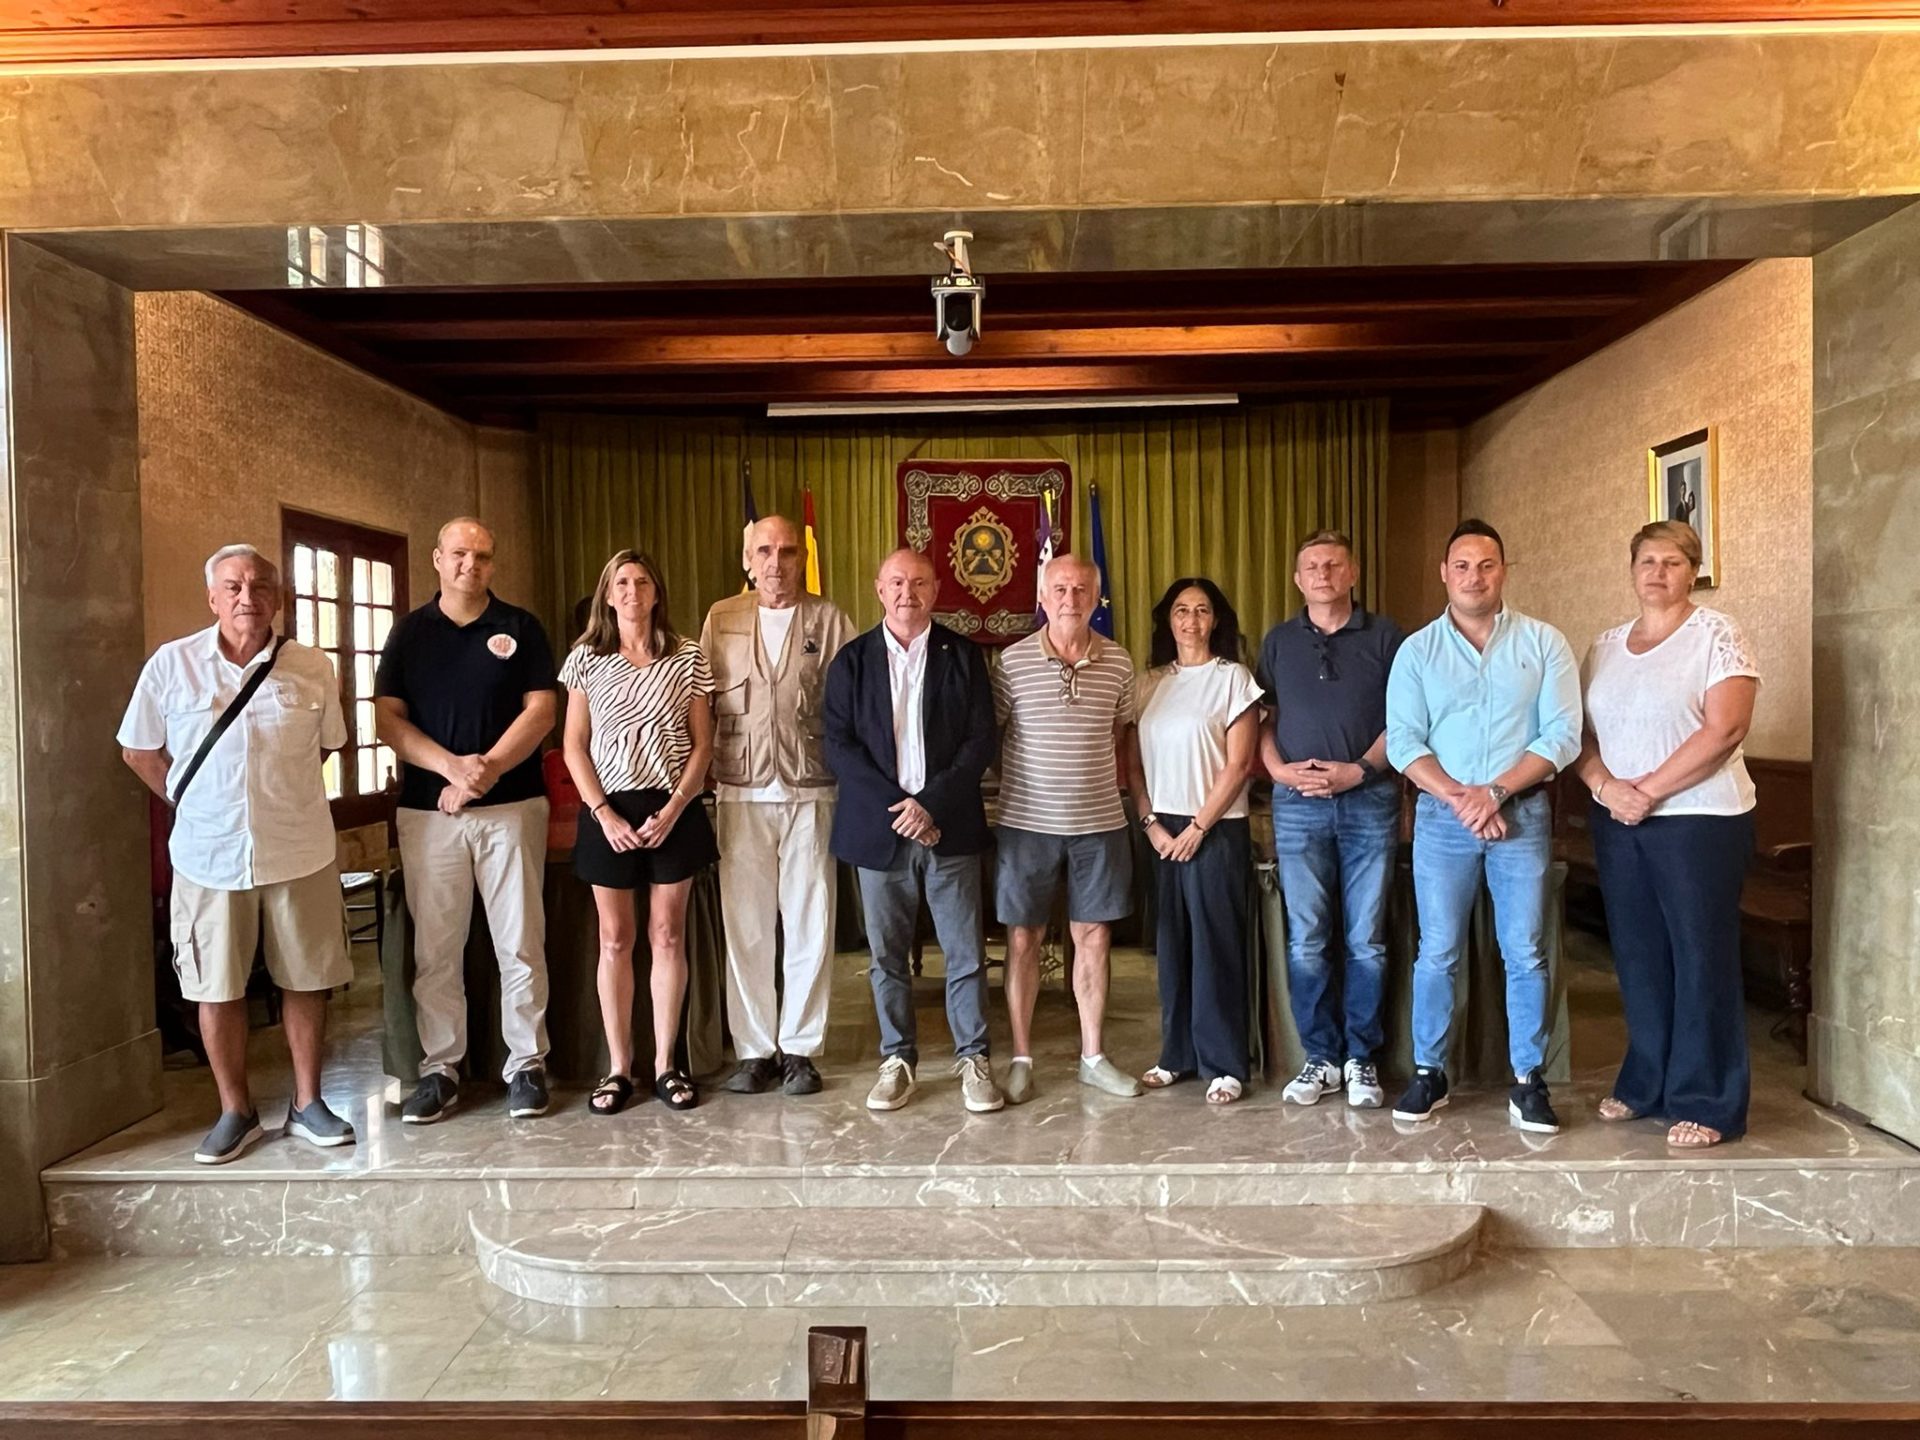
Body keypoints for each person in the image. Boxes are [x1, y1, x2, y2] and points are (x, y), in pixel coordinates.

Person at [118, 545, 357, 1164]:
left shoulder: (311, 666)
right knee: (214, 984)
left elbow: (326, 746)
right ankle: (235, 1111)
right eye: (233, 587)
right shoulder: (172, 664)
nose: (246, 597)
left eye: (259, 586)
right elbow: (138, 750)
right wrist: (192, 801)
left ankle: (309, 1102)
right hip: (208, 854)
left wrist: (278, 795)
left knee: (307, 978)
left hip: (299, 848)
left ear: (278, 598)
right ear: (212, 598)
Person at [1385, 519, 1581, 1133]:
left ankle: (1528, 1080)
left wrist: (1496, 793)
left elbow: (1562, 735)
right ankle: (1429, 1073)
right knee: (1437, 951)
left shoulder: (1545, 643)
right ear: (1445, 573)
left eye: (1487, 565)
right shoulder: (1417, 651)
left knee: (1524, 950)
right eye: (1463, 566)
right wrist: (1462, 799)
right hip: (1443, 819)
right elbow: (1404, 741)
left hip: (1520, 816)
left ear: (1504, 571)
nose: (1474, 577)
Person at [1574, 521, 1759, 1148]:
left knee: (1700, 957)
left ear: (1693, 571)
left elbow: (1725, 729)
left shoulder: (1717, 635)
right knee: (1639, 956)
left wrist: (1647, 790)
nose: (1658, 572)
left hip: (1700, 821)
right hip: (1617, 818)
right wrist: (1606, 787)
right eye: (1647, 561)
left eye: (1673, 562)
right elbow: (1578, 733)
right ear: (1632, 570)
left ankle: (1708, 1099)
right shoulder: (1604, 645)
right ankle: (1646, 1081)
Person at [375, 518, 557, 1124]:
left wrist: (488, 771)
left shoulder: (521, 627)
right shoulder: (409, 633)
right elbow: (388, 721)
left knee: (520, 942)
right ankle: (441, 1068)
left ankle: (526, 1064)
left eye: (481, 556)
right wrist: (452, 768)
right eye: (459, 554)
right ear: (437, 559)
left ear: (492, 565)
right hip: (430, 813)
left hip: (512, 807)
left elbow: (542, 711)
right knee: (436, 947)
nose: (469, 565)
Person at [824, 549, 1003, 1114]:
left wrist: (928, 806)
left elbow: (980, 741)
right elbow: (839, 746)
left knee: (965, 954)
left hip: (948, 829)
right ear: (880, 590)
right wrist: (900, 809)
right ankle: (897, 1059)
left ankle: (973, 1059)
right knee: (887, 957)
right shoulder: (851, 661)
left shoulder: (964, 656)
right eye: (897, 583)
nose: (908, 593)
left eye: (919, 582)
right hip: (879, 833)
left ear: (936, 589)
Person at [701, 515, 855, 1097]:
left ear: (802, 559)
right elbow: (701, 704)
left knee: (811, 920)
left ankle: (800, 1048)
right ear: (747, 560)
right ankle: (753, 1050)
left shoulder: (830, 619)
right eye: (763, 551)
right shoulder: (721, 617)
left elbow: (849, 706)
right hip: (739, 788)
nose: (775, 562)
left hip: (812, 787)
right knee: (746, 924)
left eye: (787, 551)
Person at [561, 550, 718, 1116]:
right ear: (608, 595)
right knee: (615, 939)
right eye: (622, 583)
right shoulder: (585, 658)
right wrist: (603, 813)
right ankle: (619, 1068)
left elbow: (704, 744)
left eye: (642, 582)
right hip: (608, 809)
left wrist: (675, 808)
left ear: (656, 593)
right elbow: (574, 745)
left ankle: (666, 1065)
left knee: (668, 936)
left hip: (674, 807)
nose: (632, 592)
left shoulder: (688, 656)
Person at [1257, 530, 1406, 1109]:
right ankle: (1320, 1057)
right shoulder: (1278, 642)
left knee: (1366, 940)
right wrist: (1278, 771)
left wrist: (1359, 771)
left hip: (1369, 800)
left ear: (1353, 573)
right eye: (1312, 566)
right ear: (1298, 579)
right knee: (1307, 940)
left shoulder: (1387, 637)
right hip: (1298, 806)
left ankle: (1360, 1059)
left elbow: (1405, 721)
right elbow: (1263, 719)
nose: (1322, 573)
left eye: (1333, 564)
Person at [992, 552, 1145, 1102]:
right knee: (1023, 938)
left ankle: (1093, 1057)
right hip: (1026, 825)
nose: (1070, 599)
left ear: (1096, 597)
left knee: (1094, 937)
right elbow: (993, 740)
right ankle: (1021, 1058)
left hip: (1099, 825)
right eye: (1059, 589)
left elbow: (1122, 738)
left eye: (1081, 589)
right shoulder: (1011, 663)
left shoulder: (1120, 663)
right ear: (1041, 596)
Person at [1132, 578, 1262, 1104]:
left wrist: (1198, 828)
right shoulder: (1148, 683)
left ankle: (1225, 1064)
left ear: (1216, 620)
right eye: (1182, 610)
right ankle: (1176, 1055)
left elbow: (1239, 765)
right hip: (1161, 829)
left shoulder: (1234, 679)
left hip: (1215, 827)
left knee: (1216, 946)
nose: (1191, 620)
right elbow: (1132, 764)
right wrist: (1151, 823)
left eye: (1202, 610)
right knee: (1172, 947)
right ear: (1168, 620)